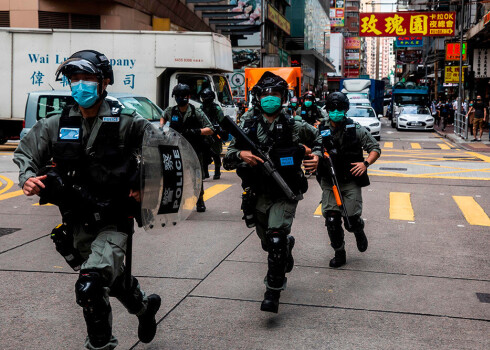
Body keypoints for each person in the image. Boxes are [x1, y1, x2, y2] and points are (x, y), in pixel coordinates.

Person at [13, 50, 161, 350]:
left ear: (104, 81)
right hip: (77, 221)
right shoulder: (56, 123)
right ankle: (144, 307)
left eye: (88, 78)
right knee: (112, 282)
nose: (80, 85)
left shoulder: (127, 122)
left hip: (115, 220)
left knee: (91, 285)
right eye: (74, 79)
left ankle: (101, 345)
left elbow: (162, 151)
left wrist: (146, 184)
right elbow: (26, 152)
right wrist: (27, 177)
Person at [225, 71, 322, 313]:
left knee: (276, 239)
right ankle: (285, 247)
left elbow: (321, 138)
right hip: (256, 194)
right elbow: (227, 157)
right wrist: (241, 155)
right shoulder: (247, 125)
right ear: (258, 98)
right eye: (265, 94)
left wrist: (317, 157)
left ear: (283, 97)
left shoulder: (295, 124)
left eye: (275, 94)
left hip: (284, 192)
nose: (270, 98)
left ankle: (273, 292)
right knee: (269, 243)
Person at [317, 92, 381, 268]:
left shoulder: (356, 129)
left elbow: (375, 148)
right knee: (331, 220)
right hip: (329, 183)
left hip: (350, 181)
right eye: (332, 108)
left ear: (345, 110)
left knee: (351, 221)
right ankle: (339, 252)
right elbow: (307, 147)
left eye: (339, 108)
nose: (335, 112)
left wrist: (365, 163)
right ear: (327, 110)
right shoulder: (319, 130)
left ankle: (358, 230)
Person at [161, 83, 214, 212]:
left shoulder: (196, 112)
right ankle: (180, 200)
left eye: (183, 95)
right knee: (177, 177)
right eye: (178, 96)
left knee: (196, 176)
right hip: (176, 150)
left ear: (188, 96)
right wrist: (162, 128)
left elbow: (210, 129)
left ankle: (199, 200)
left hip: (195, 150)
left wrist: (196, 131)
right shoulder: (171, 110)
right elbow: (163, 117)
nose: (181, 98)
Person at [199, 88, 227, 180]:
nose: (203, 100)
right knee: (204, 154)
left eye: (205, 98)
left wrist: (219, 130)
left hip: (215, 133)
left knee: (216, 153)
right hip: (205, 132)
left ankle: (217, 172)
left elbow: (222, 121)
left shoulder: (216, 108)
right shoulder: (201, 108)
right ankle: (205, 173)